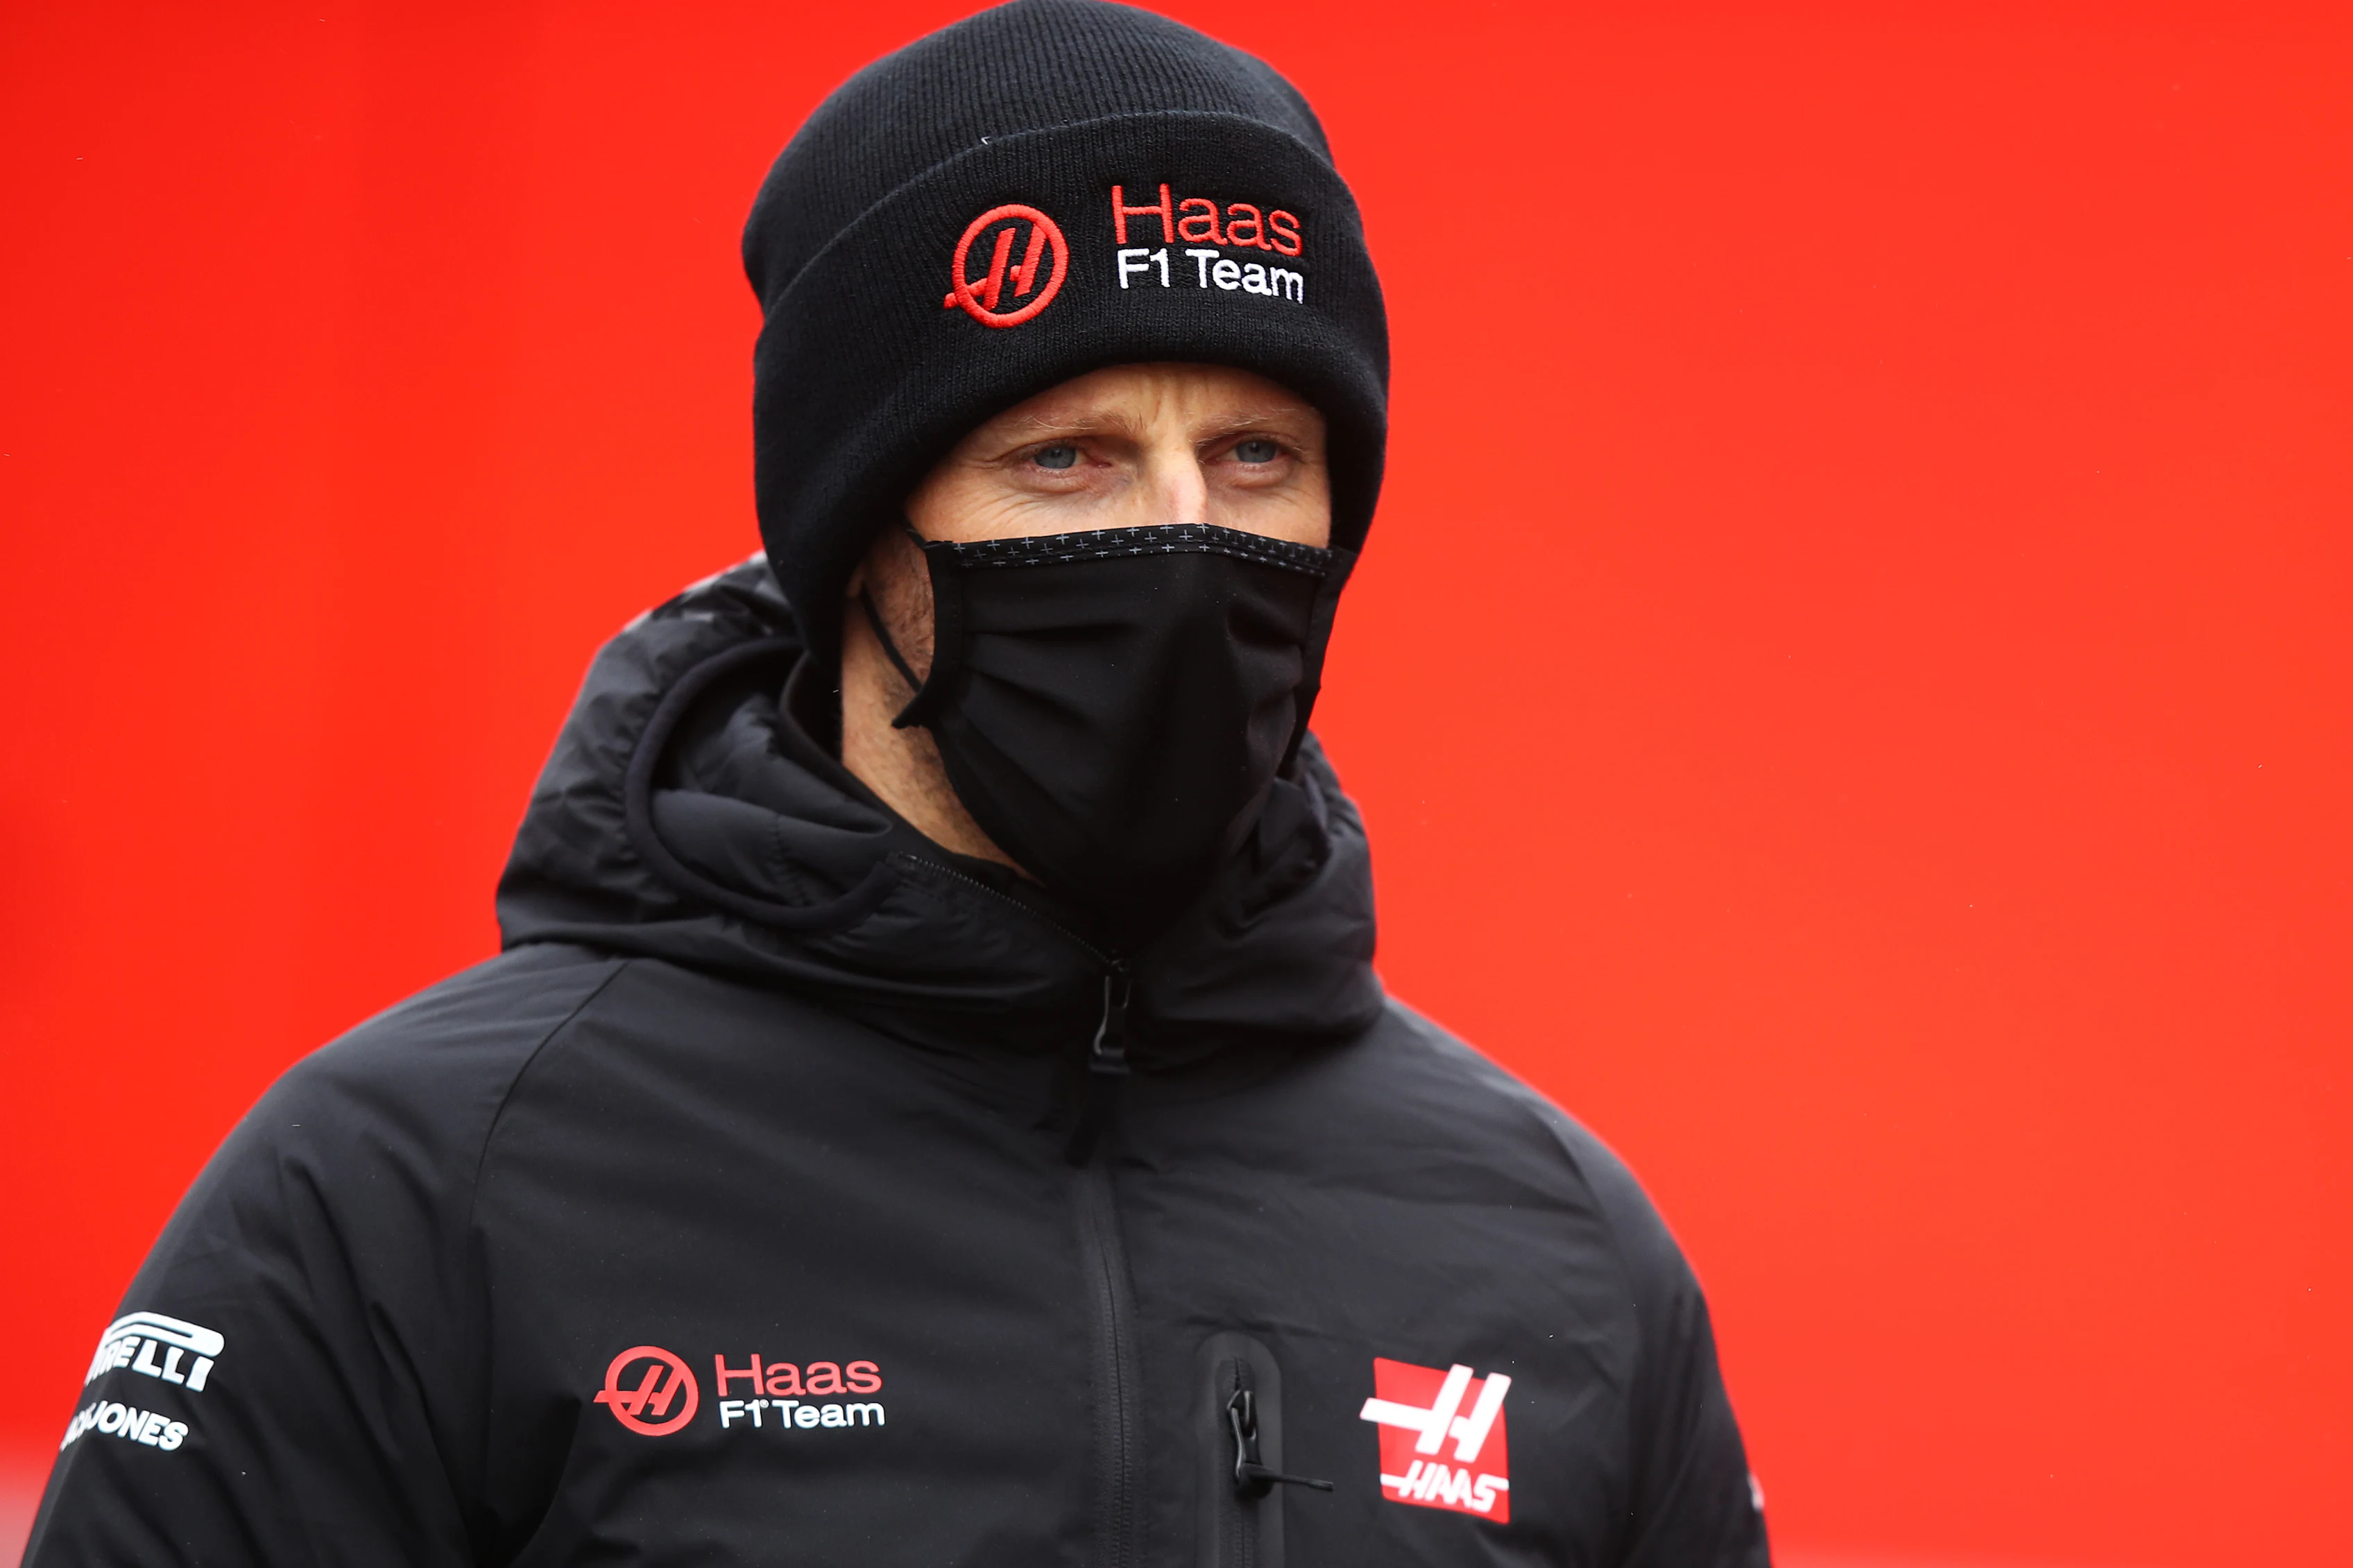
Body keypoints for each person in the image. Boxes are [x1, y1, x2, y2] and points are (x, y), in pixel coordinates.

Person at [26, 3, 1770, 1564]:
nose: (1178, 534)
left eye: (1255, 455)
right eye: (1063, 457)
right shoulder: (422, 1182)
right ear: (859, 535)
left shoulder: (1559, 1250)